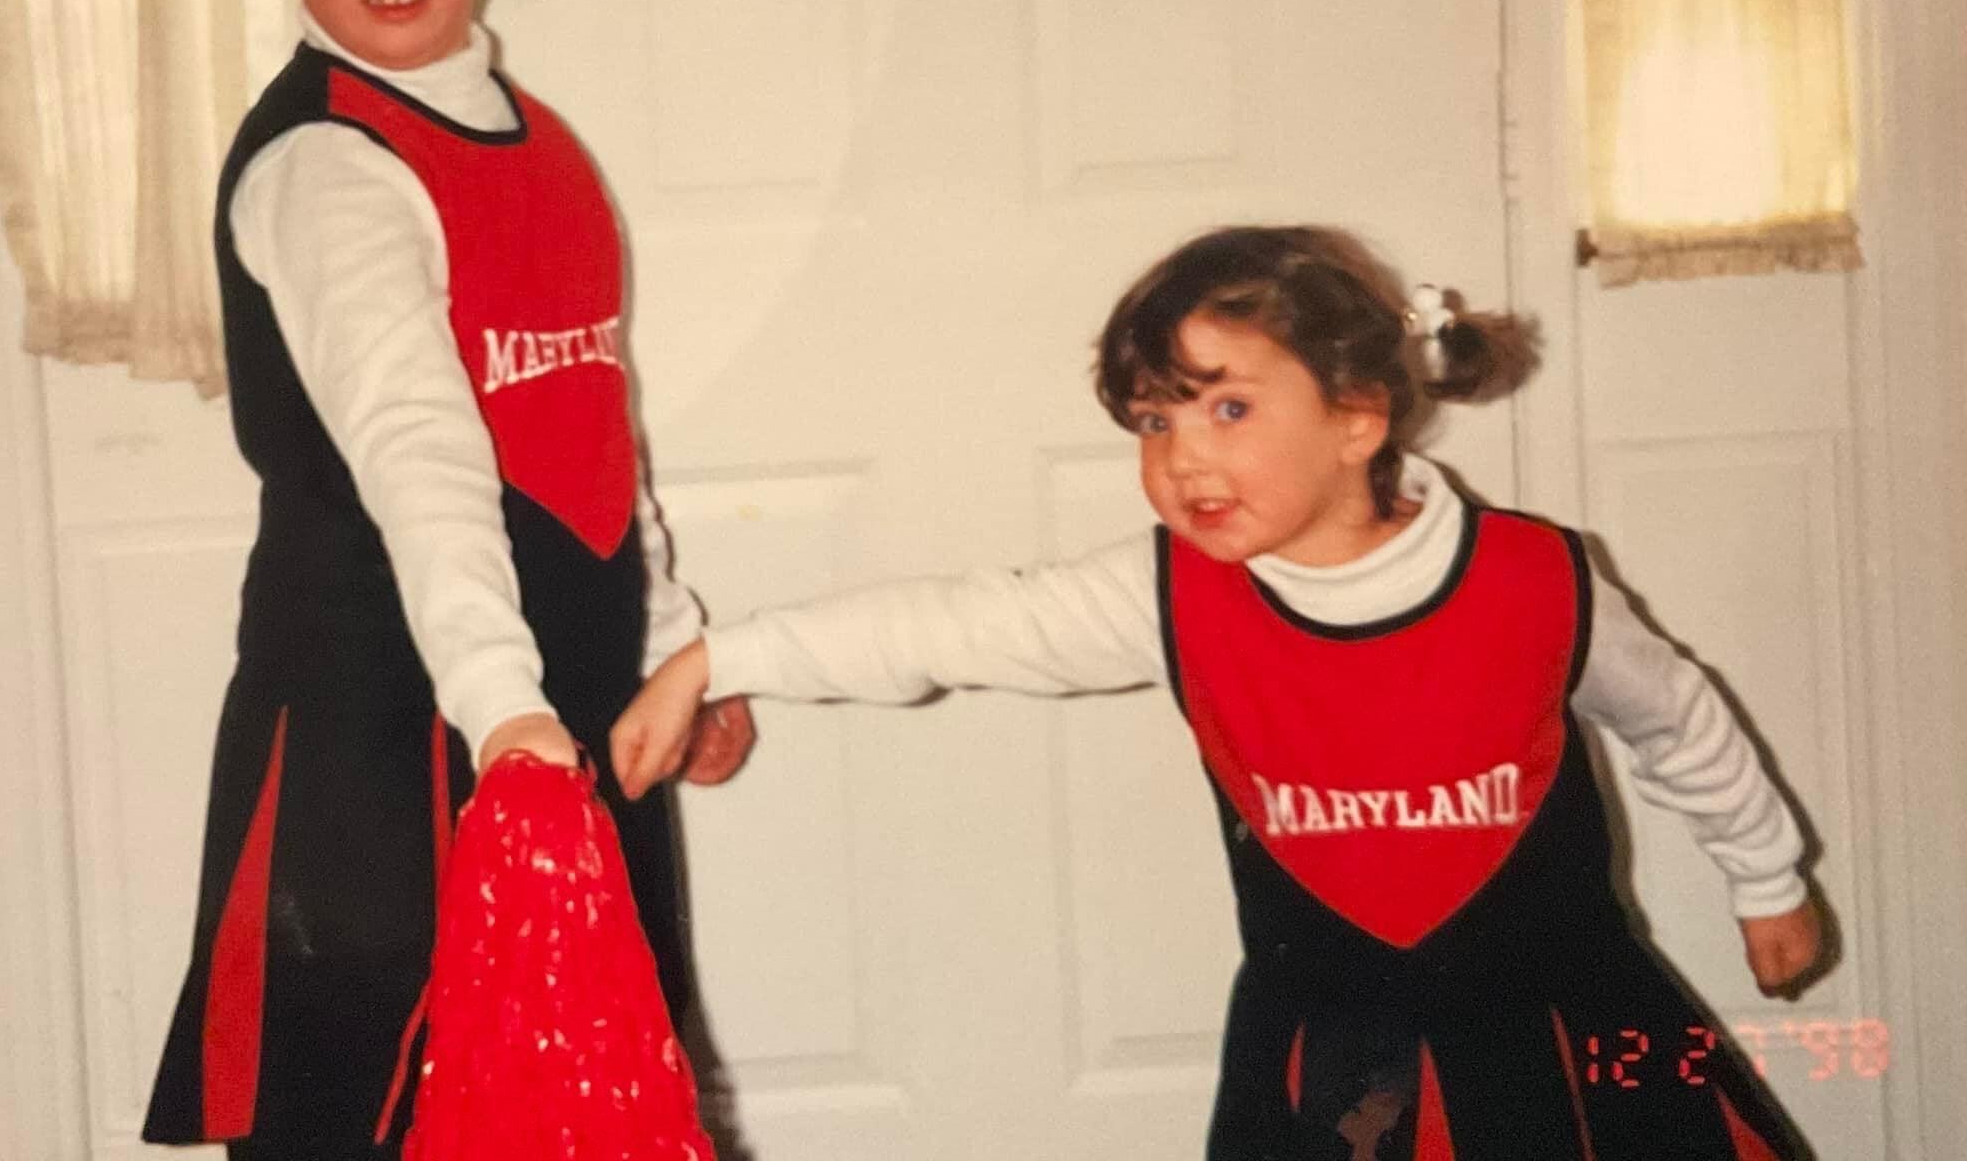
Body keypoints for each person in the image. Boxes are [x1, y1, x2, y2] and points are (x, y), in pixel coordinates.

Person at [612, 224, 1824, 1160]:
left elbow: (1678, 722)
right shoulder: (1172, 594)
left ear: (1357, 417)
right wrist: (720, 659)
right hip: (1332, 1061)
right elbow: (950, 623)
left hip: (1567, 1035)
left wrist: (1764, 878)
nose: (1181, 456)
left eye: (1227, 409)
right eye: (1153, 421)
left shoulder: (1534, 581)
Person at [142, 0, 752, 1161]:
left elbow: (596, 433)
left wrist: (671, 650)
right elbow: (421, 460)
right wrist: (506, 714)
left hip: (549, 727)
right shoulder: (330, 169)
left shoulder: (545, 150)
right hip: (391, 738)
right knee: (389, 1114)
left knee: (588, 1109)